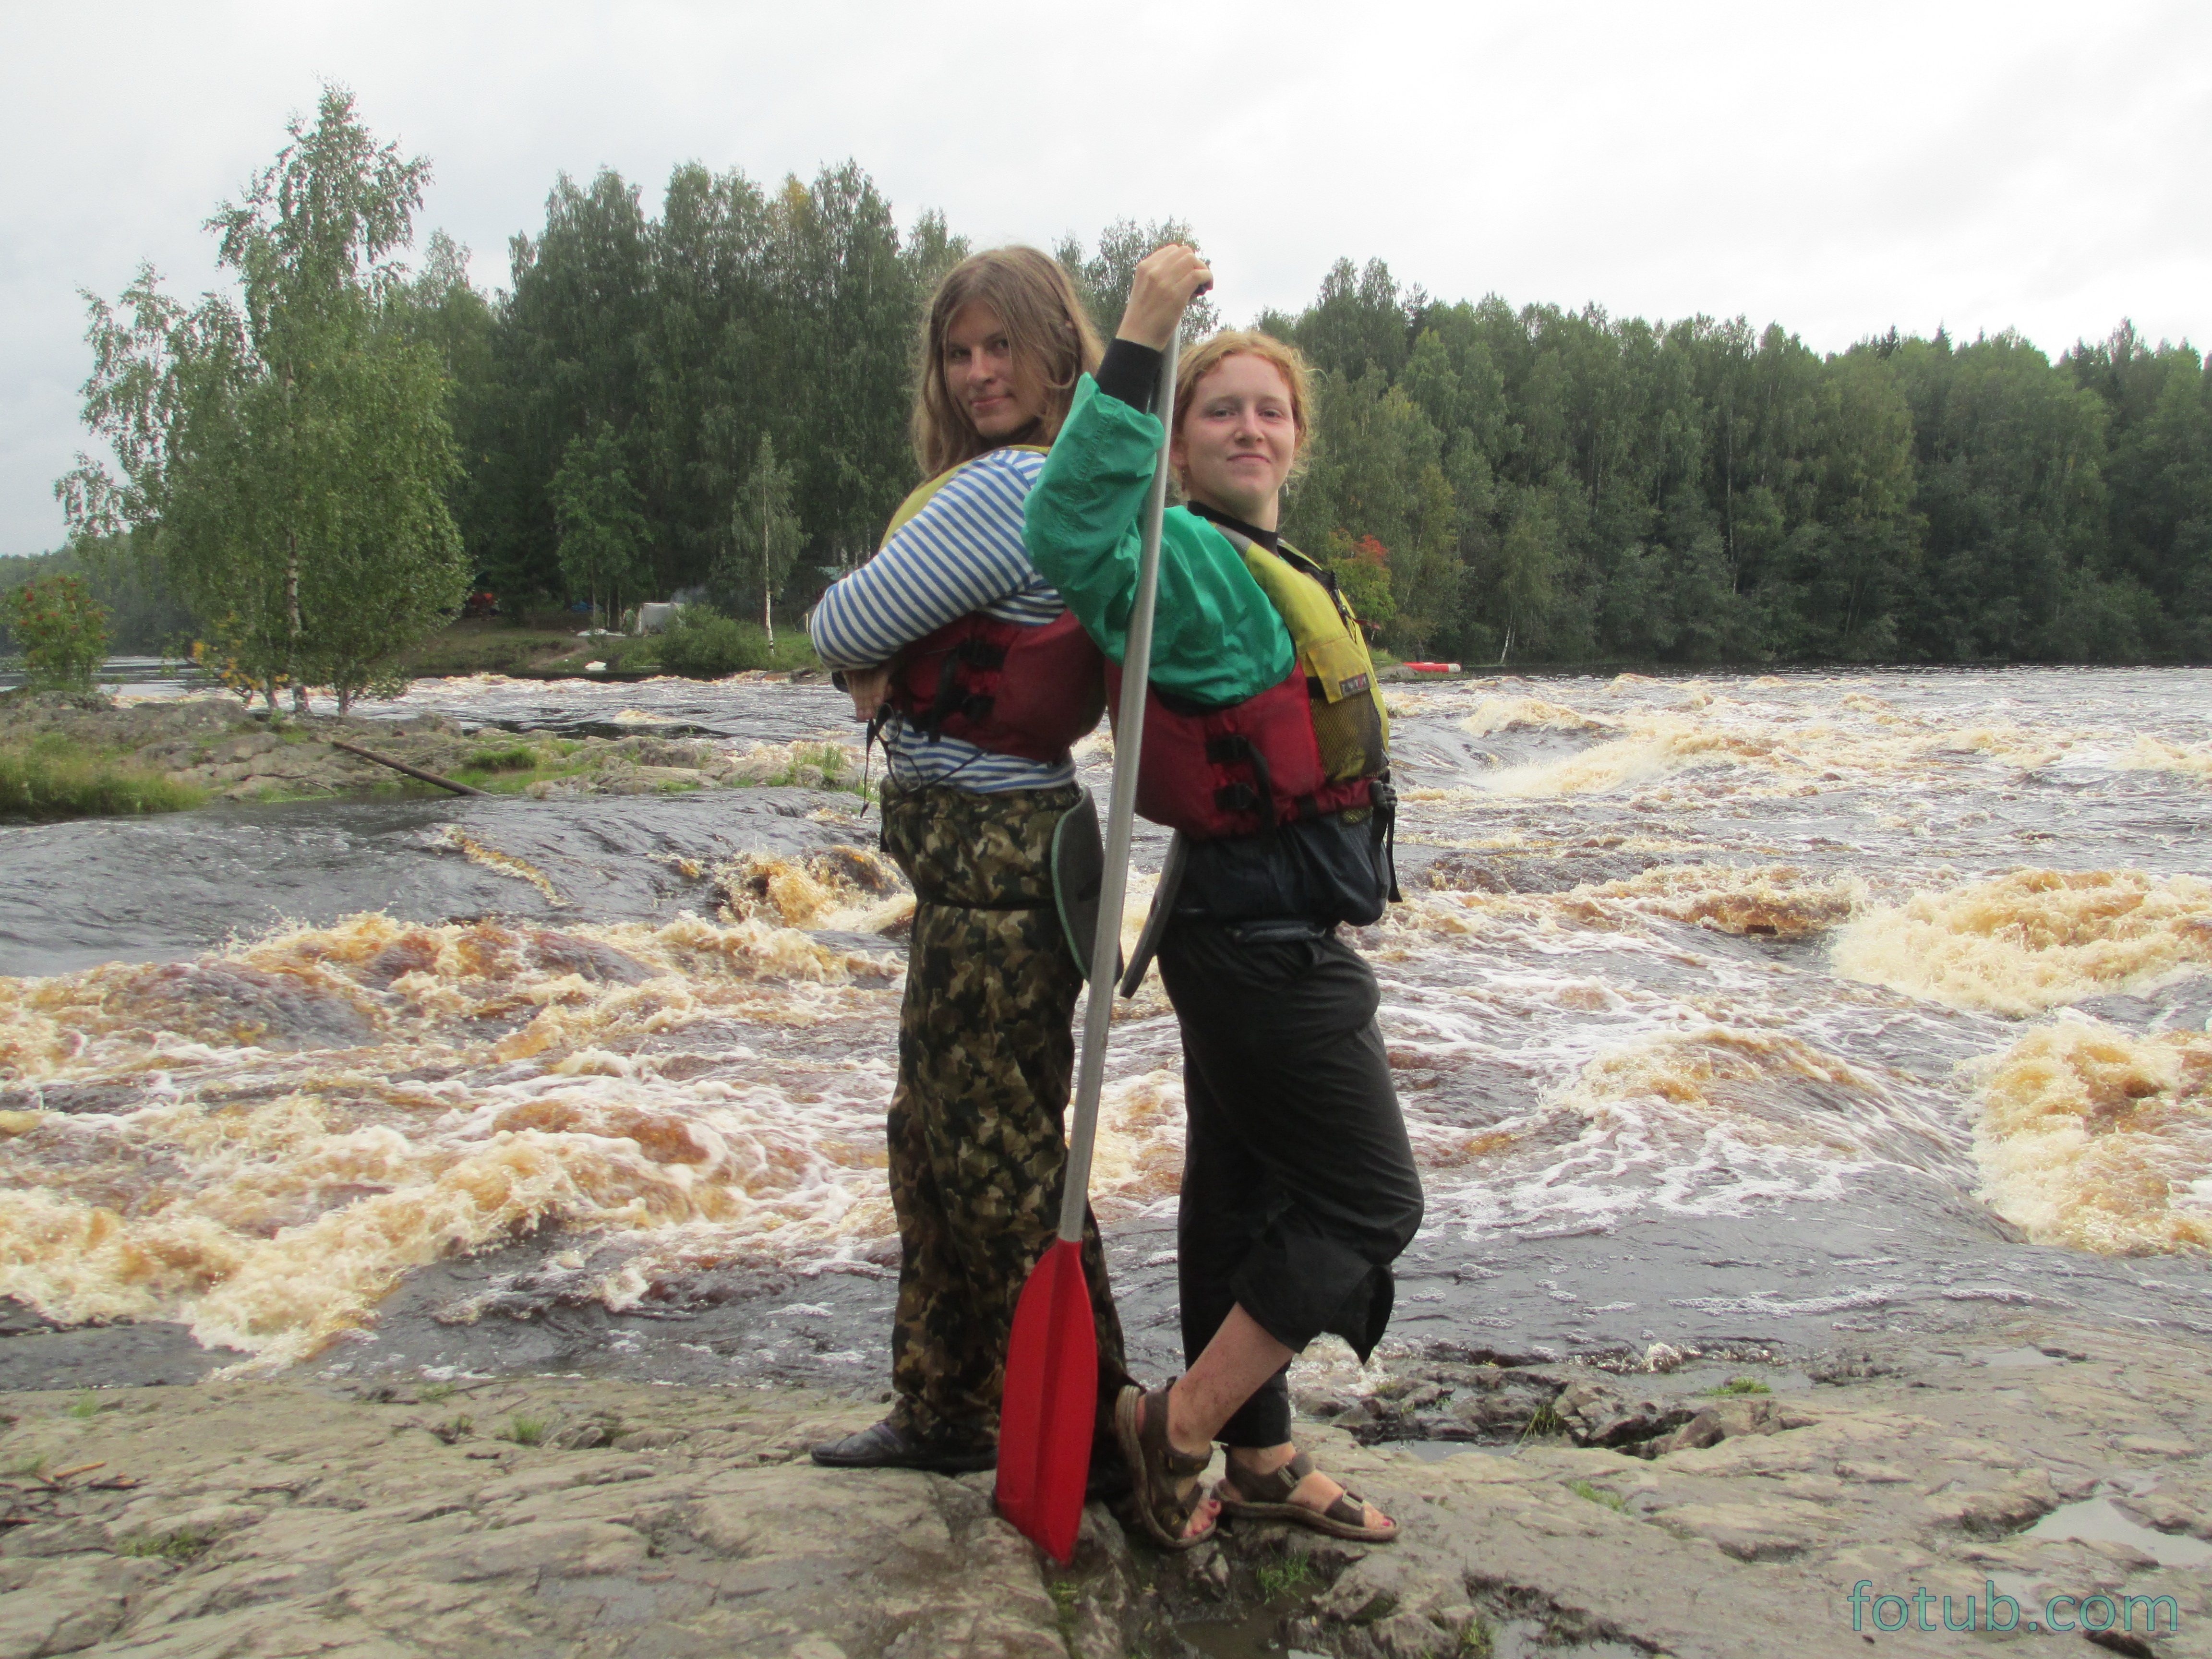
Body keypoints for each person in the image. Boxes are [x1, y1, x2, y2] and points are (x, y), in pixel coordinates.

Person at [1022, 245, 1424, 1547]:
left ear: (1295, 441)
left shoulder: (1263, 563)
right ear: (1179, 453)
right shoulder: (1187, 563)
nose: (1250, 425)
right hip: (1257, 946)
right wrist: (1142, 329)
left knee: (1242, 1192)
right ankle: (1177, 1428)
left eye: (1270, 409)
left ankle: (1260, 1461)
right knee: (1371, 1200)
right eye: (1218, 408)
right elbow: (1076, 527)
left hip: (1244, 927)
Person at [806, 247, 1134, 1476]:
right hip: (990, 866)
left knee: (995, 1155)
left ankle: (1103, 1435)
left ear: (1059, 359)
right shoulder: (1056, 488)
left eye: (1006, 347)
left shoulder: (1011, 492)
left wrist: (864, 657)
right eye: (961, 352)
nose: (982, 371)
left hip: (1000, 869)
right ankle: (945, 1409)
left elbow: (844, 625)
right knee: (932, 1141)